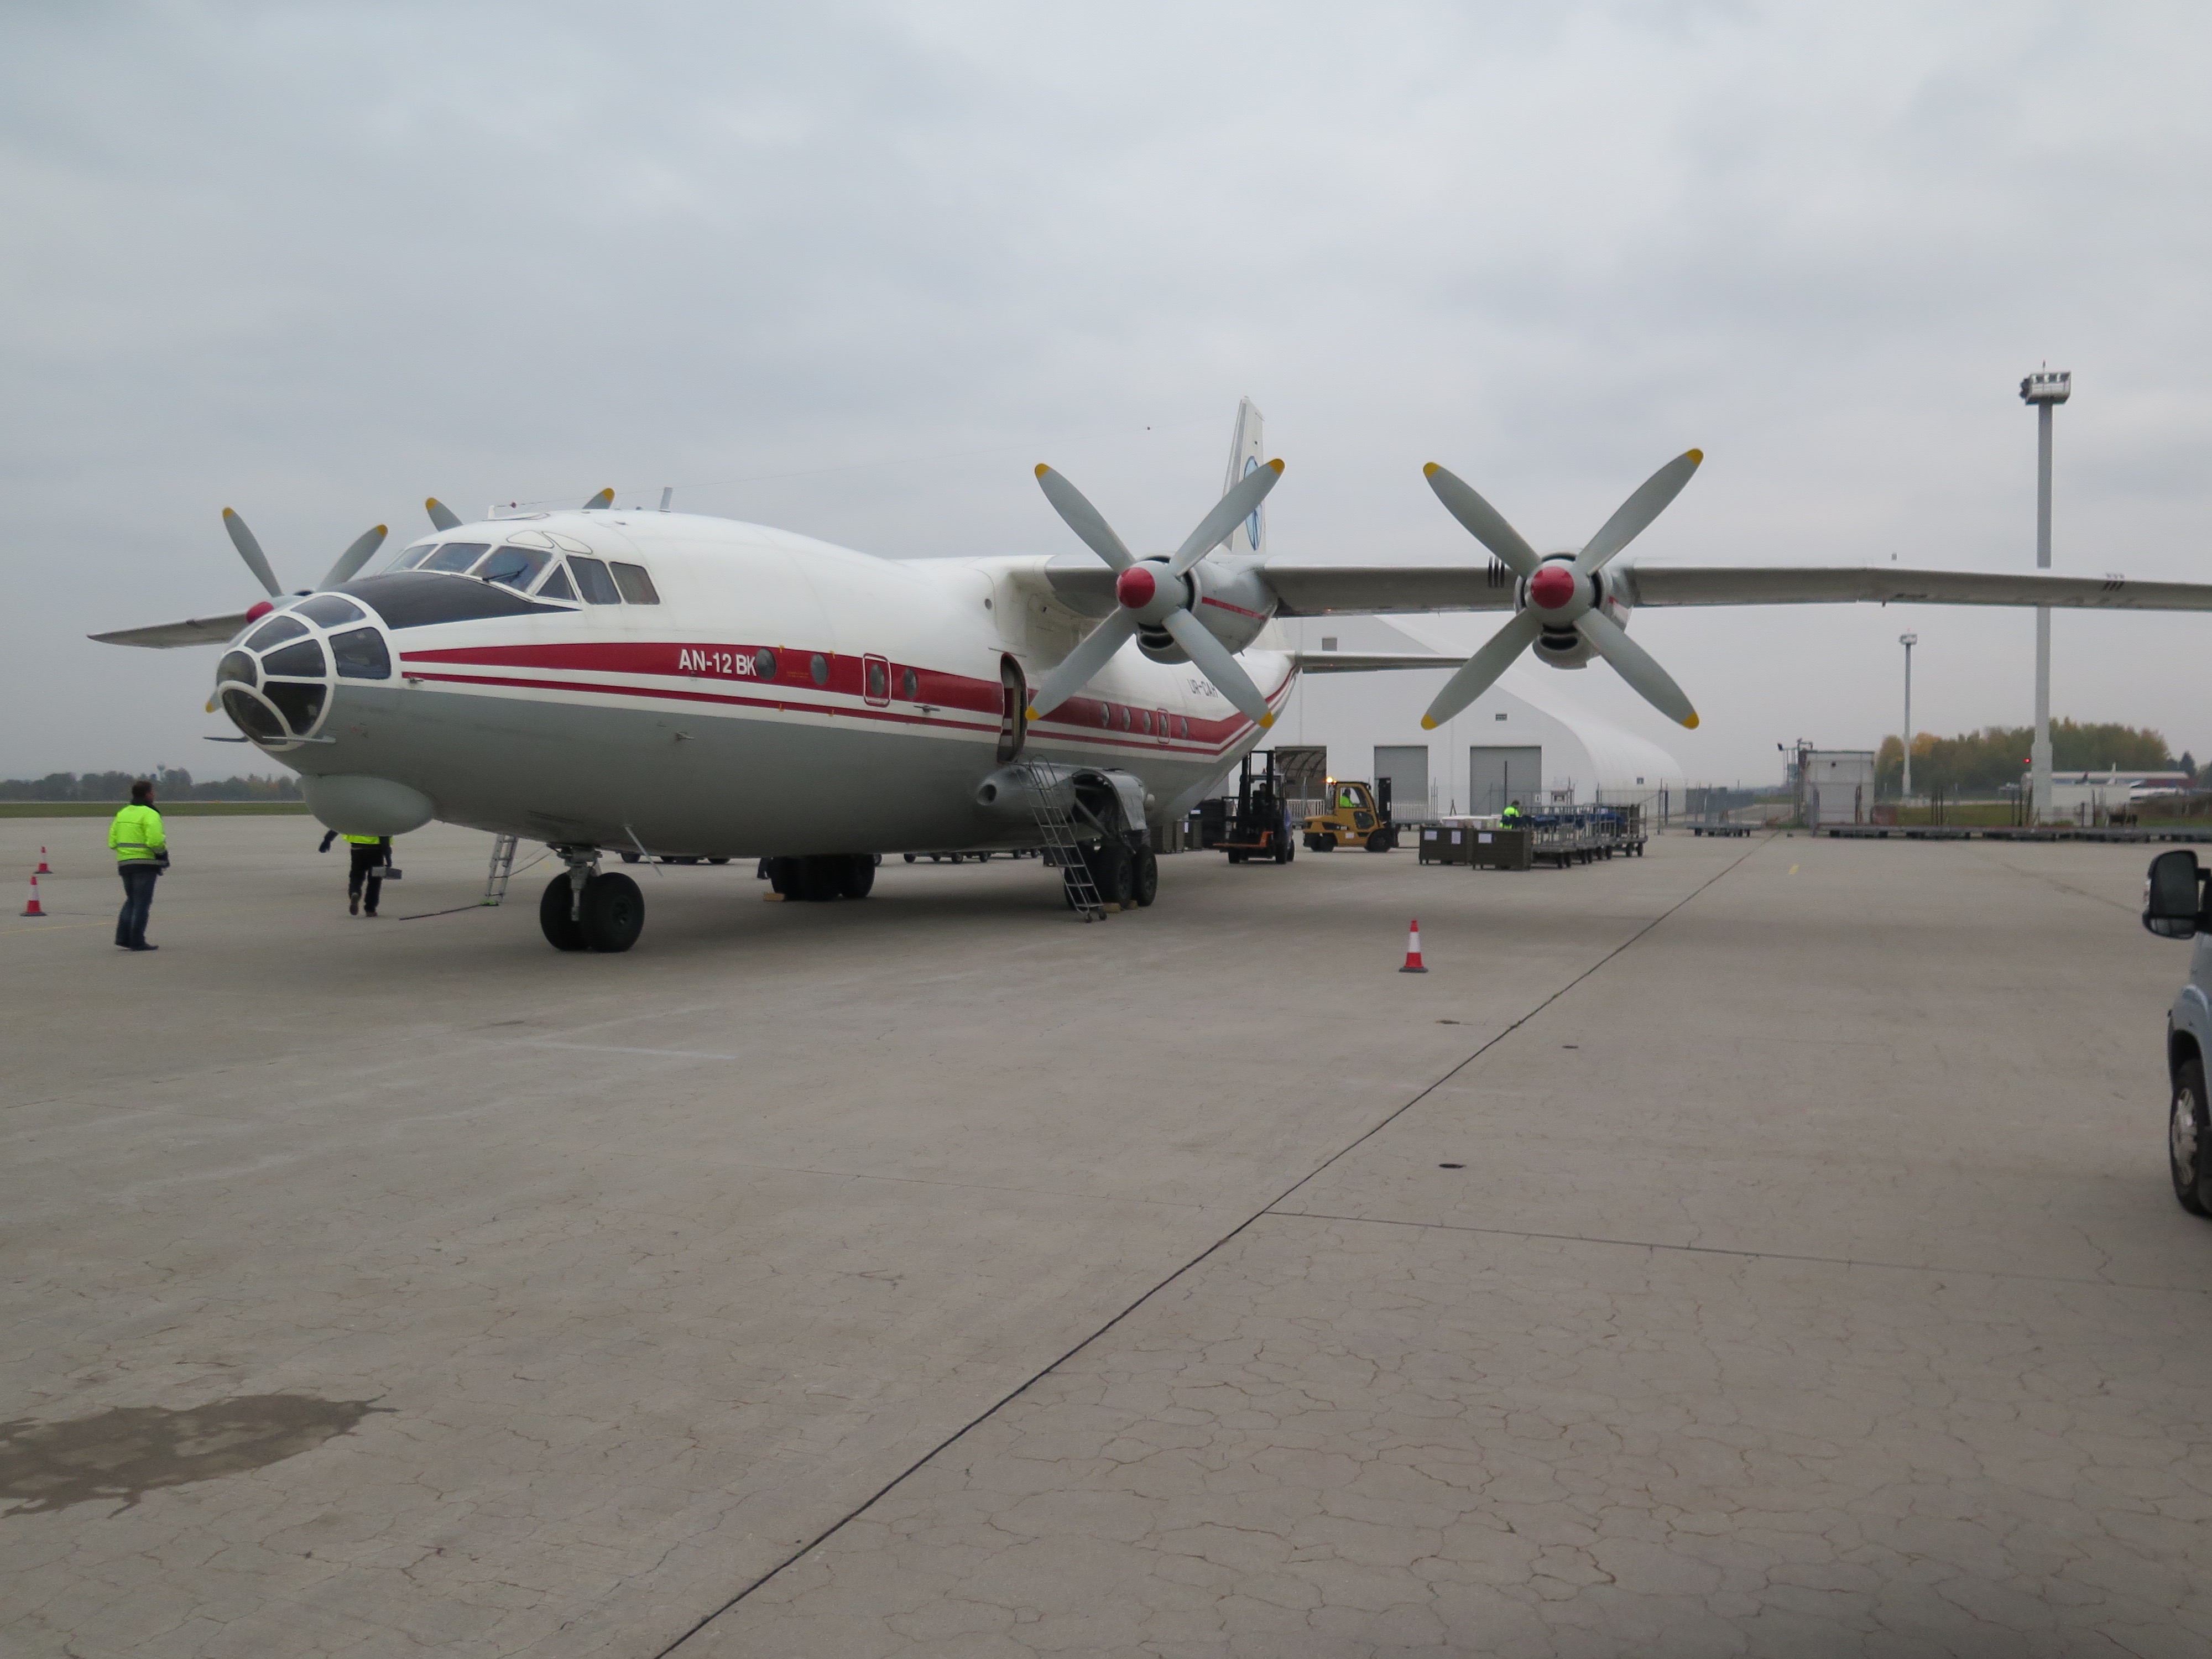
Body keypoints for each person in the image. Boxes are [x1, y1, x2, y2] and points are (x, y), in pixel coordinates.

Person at [109, 779, 166, 951]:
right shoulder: (150, 814)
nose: (154, 795)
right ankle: (137, 940)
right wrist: (162, 853)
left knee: (132, 901)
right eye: (152, 792)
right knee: (142, 903)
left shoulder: (123, 813)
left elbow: (112, 841)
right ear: (148, 794)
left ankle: (123, 937)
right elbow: (155, 840)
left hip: (125, 863)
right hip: (145, 863)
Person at [320, 828, 393, 916]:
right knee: (375, 881)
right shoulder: (378, 816)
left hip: (357, 849)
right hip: (376, 851)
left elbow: (339, 825)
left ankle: (355, 893)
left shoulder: (355, 815)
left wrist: (327, 840)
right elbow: (383, 834)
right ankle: (370, 909)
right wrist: (388, 857)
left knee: (356, 876)